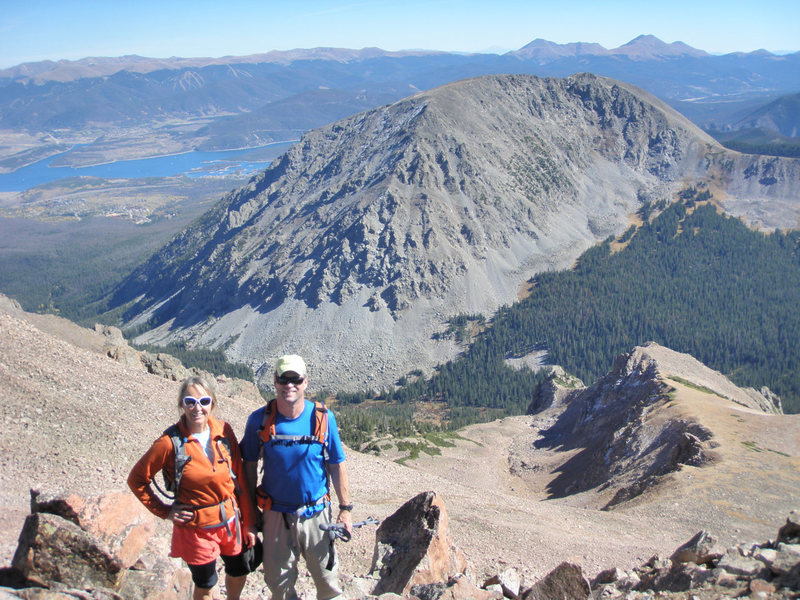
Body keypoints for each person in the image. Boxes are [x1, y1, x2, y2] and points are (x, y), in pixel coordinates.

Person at [128, 376, 258, 600]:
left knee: (239, 569)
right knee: (206, 584)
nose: (197, 408)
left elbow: (241, 482)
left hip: (230, 520)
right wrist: (165, 511)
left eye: (204, 401)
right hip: (196, 527)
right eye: (190, 401)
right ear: (182, 405)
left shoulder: (224, 431)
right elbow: (137, 479)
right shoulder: (170, 443)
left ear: (212, 404)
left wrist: (251, 523)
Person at [242, 354, 352, 600]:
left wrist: (346, 509)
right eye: (283, 379)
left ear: (305, 382)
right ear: (274, 381)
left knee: (328, 584)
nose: (289, 385)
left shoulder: (324, 418)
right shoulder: (258, 420)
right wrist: (249, 512)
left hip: (317, 515)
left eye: (295, 379)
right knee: (278, 586)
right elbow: (248, 465)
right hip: (275, 515)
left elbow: (337, 464)